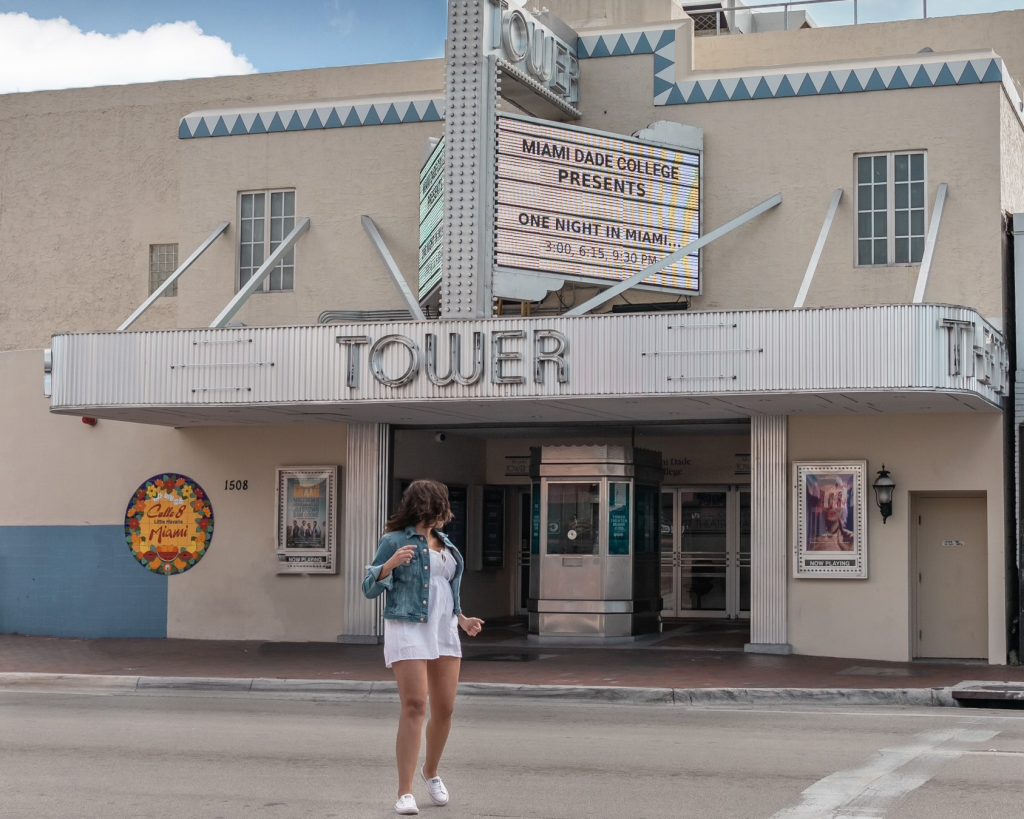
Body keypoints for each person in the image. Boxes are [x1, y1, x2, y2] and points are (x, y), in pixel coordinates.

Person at [362, 479, 485, 816]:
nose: (443, 512)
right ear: (428, 506)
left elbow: (445, 588)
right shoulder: (394, 541)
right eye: (439, 505)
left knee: (444, 709)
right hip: (407, 626)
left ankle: (430, 771)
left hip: (444, 629)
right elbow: (368, 588)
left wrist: (462, 619)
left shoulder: (446, 544)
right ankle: (404, 792)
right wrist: (389, 565)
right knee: (415, 705)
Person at [807, 475, 855, 551]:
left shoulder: (853, 540)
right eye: (826, 500)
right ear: (819, 504)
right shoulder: (810, 541)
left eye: (837, 500)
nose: (832, 506)